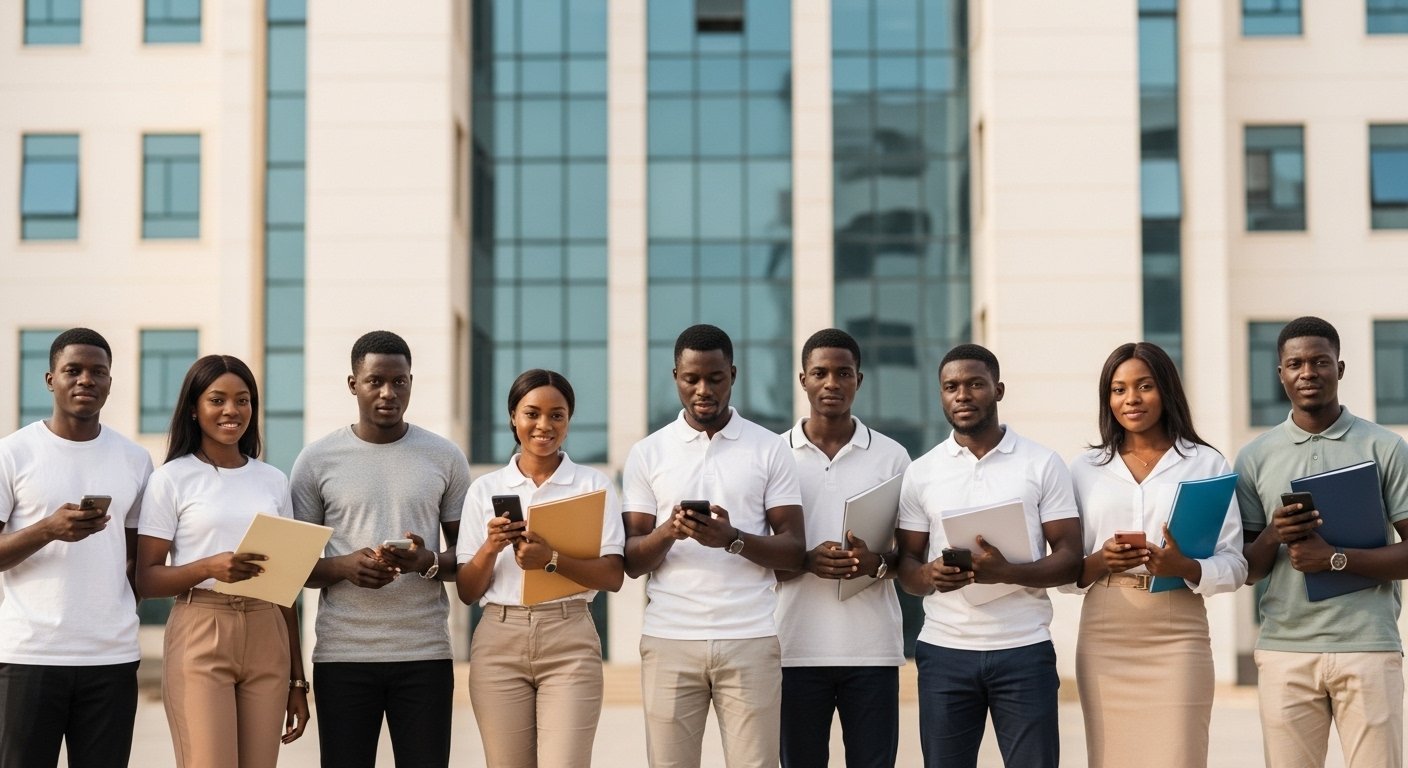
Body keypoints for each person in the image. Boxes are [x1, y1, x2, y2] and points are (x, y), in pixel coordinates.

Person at [622, 324, 806, 768]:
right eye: (692, 379)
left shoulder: (769, 448)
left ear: (733, 375)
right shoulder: (648, 452)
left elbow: (795, 551)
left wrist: (734, 540)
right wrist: (668, 531)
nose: (703, 389)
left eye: (715, 378)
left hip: (750, 637)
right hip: (669, 638)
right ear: (676, 377)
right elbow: (630, 560)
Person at [895, 343, 1081, 768]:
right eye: (951, 386)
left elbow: (1070, 557)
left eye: (975, 384)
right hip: (944, 652)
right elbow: (905, 566)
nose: (962, 394)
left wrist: (1006, 572)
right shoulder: (922, 472)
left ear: (998, 390)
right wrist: (931, 575)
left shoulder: (1042, 463)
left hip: (1024, 649)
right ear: (940, 394)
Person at [291, 330, 469, 768]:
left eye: (400, 381)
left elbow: (469, 559)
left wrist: (425, 562)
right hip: (342, 655)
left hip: (424, 653)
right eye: (375, 381)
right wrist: (343, 567)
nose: (389, 392)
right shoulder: (316, 460)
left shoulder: (444, 457)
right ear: (353, 384)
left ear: (411, 381)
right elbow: (293, 568)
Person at [1238, 316, 1408, 768]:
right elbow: (1249, 569)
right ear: (1280, 374)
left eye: (1320, 361)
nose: (1308, 372)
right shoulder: (1255, 456)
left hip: (1368, 645)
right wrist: (1275, 533)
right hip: (1284, 651)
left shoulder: (1386, 448)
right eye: (1295, 364)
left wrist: (1332, 559)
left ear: (1341, 368)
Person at [1066, 342, 1247, 768]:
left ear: (1166, 390)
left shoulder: (1206, 464)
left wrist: (1183, 566)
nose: (1130, 399)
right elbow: (1062, 566)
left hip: (1178, 629)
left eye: (1144, 386)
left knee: (1180, 757)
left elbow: (1236, 564)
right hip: (1106, 627)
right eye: (1118, 389)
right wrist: (1099, 561)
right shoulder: (1084, 468)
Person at [135, 355, 308, 767]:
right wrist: (207, 568)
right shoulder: (171, 479)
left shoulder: (272, 480)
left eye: (243, 400)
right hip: (201, 629)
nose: (232, 410)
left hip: (268, 631)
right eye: (218, 399)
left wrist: (297, 680)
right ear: (194, 409)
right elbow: (147, 579)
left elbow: (285, 588)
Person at [0, 328, 153, 768]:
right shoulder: (14, 454)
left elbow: (135, 561)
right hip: (27, 656)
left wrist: (114, 617)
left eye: (98, 372)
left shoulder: (134, 459)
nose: (86, 379)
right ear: (51, 379)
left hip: (111, 658)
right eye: (73, 370)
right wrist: (48, 528)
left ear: (109, 381)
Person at [456, 369, 625, 768]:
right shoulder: (484, 489)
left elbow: (613, 576)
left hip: (569, 639)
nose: (544, 425)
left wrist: (550, 560)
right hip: (499, 641)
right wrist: (491, 546)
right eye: (532, 413)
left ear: (568, 420)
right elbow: (466, 590)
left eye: (557, 415)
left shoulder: (593, 486)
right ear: (513, 416)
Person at [774, 328, 911, 768]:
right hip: (792, 647)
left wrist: (874, 564)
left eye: (843, 373)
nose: (831, 382)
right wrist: (805, 560)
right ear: (803, 380)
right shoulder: (773, 455)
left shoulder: (893, 457)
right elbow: (761, 554)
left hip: (871, 650)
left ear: (859, 380)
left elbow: (908, 558)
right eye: (820, 373)